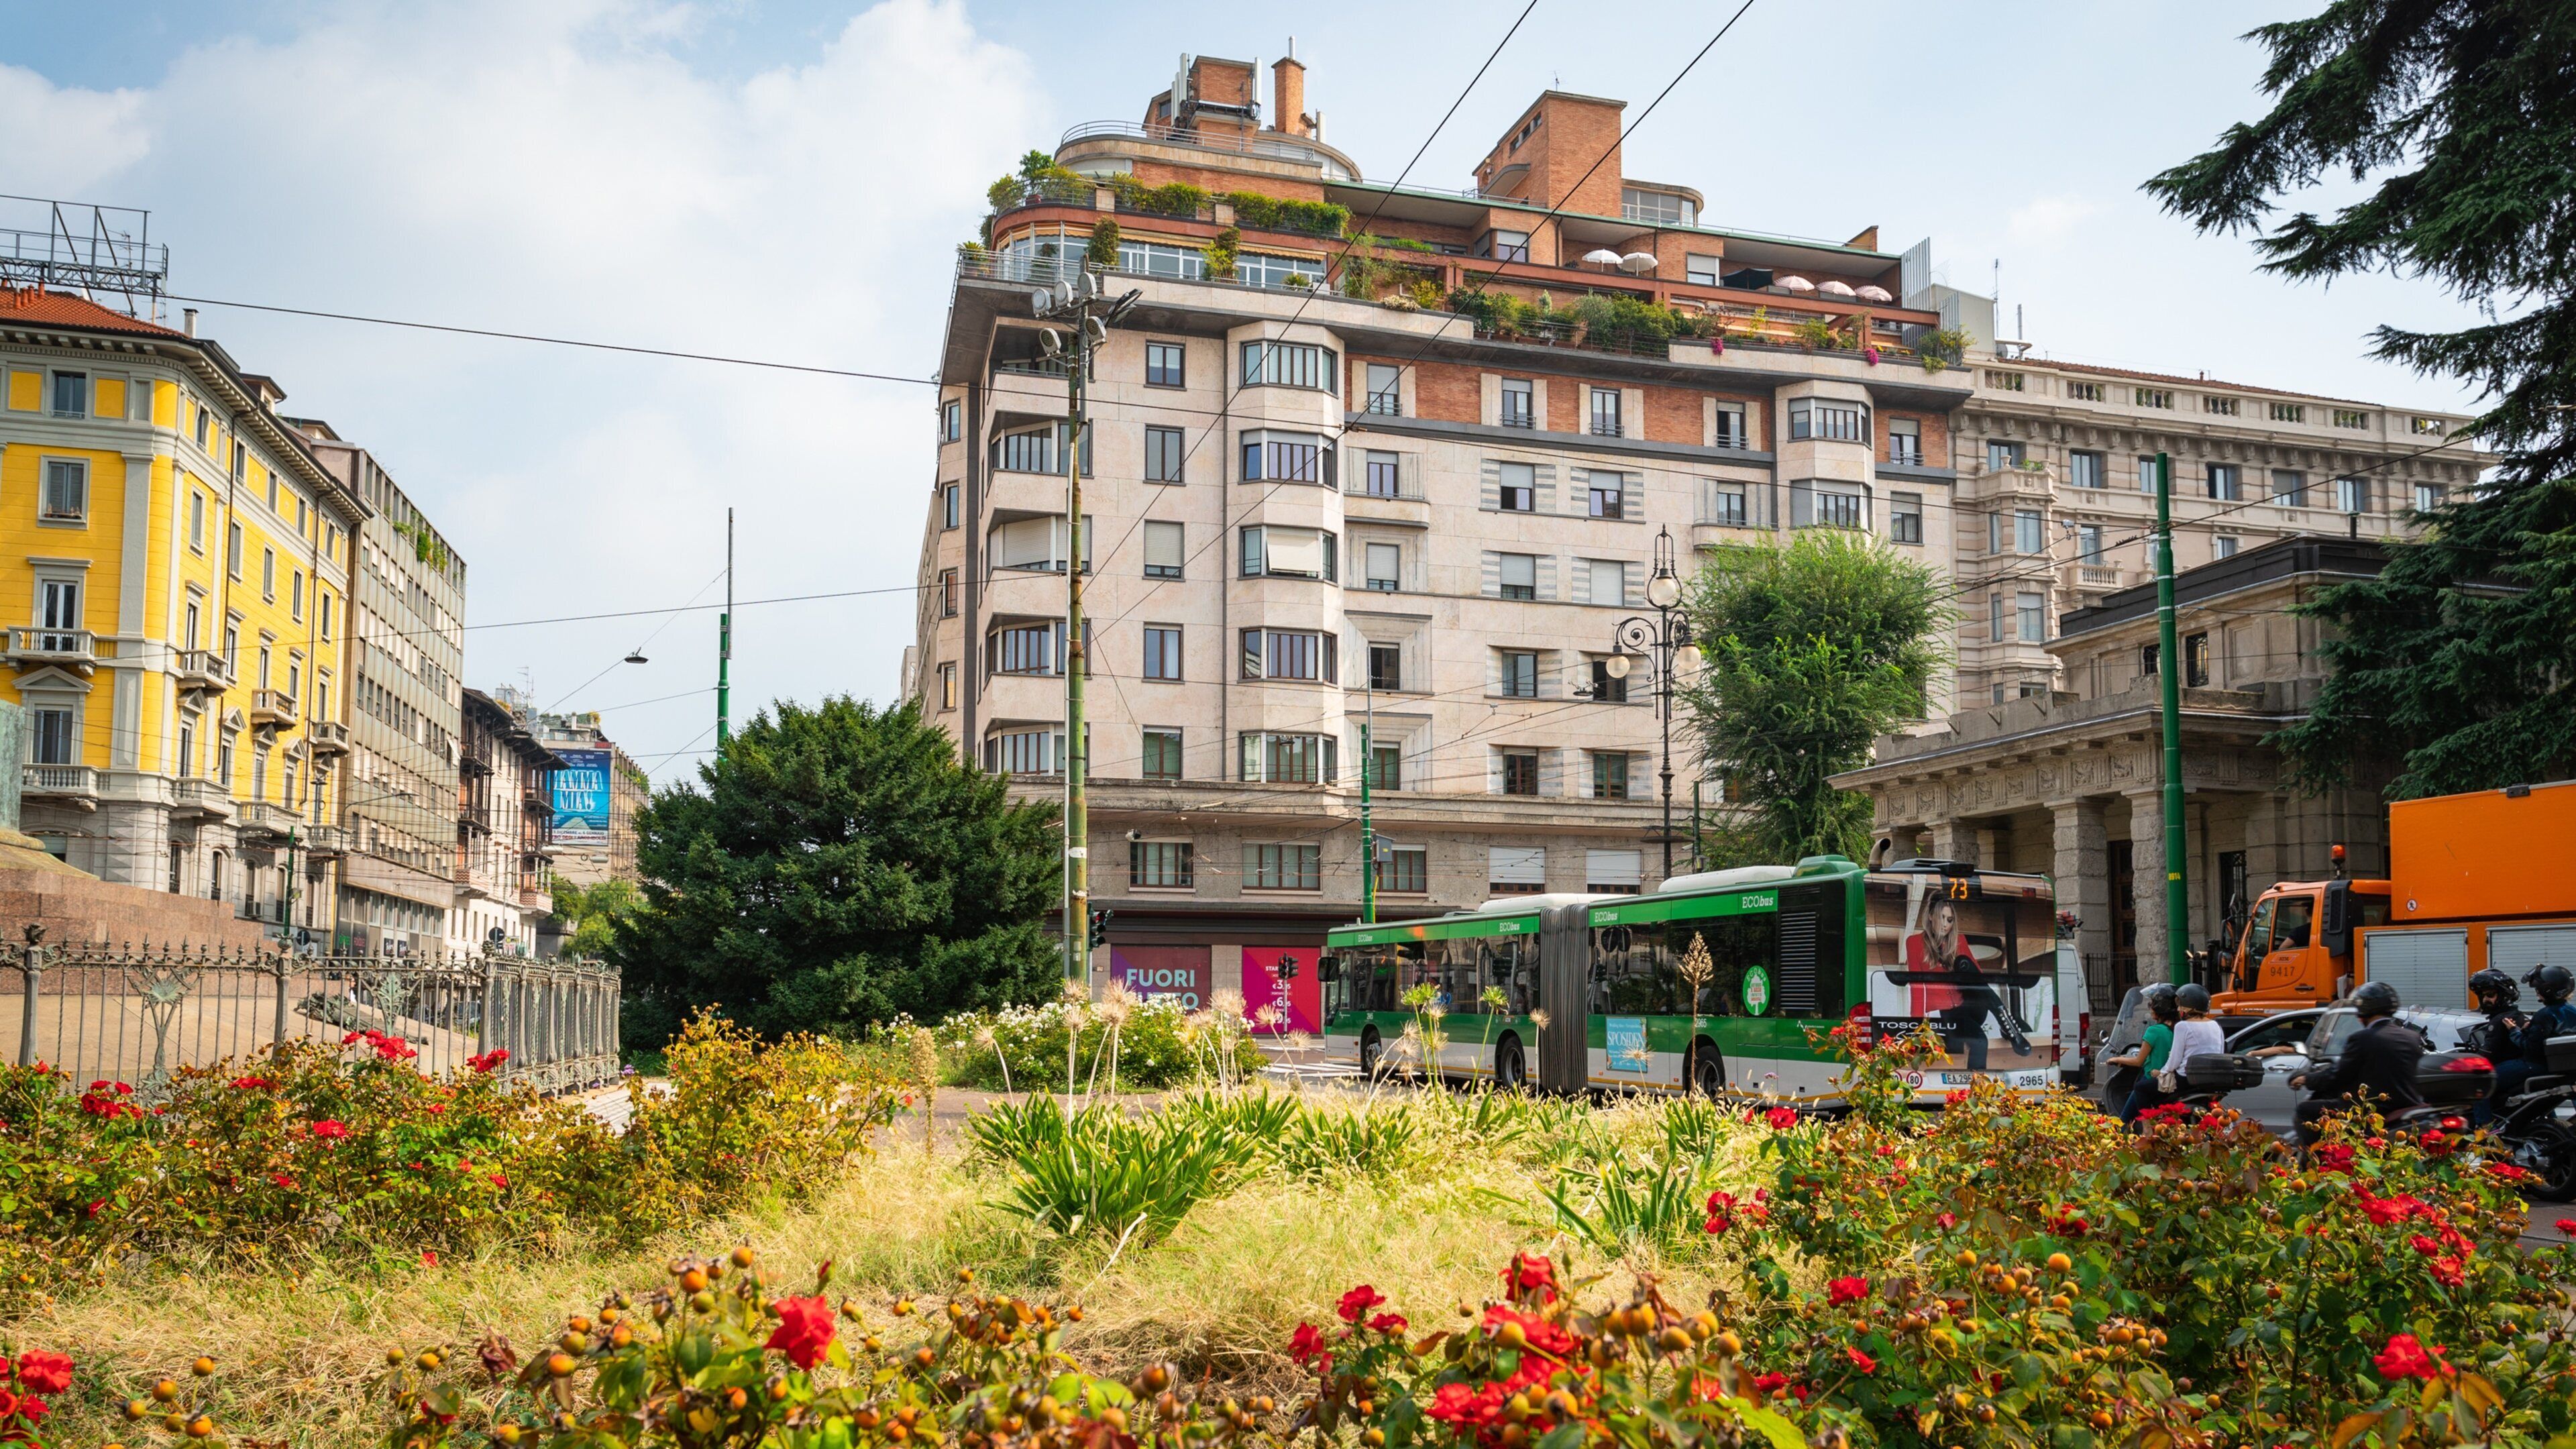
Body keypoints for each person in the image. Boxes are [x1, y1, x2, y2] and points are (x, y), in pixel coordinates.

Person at [2292, 980, 2426, 1146]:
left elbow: (2338, 1074)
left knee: (2305, 1110)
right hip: (2407, 1108)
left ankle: (2318, 1164)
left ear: (2363, 1010)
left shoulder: (2362, 1038)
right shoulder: (2411, 1037)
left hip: (2371, 1111)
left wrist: (2307, 1079)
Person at [2498, 964, 2576, 1110]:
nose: (2536, 992)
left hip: (2535, 1065)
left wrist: (2513, 1030)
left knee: (2485, 1081)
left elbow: (2531, 1047)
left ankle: (2484, 1126)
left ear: (2547, 990)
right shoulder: (2573, 1012)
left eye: (2537, 988)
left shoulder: (2545, 1015)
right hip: (2564, 1070)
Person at [2105, 984, 2178, 1124]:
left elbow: (2138, 1061)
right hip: (2169, 1081)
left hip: (2151, 1079)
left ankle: (2141, 1130)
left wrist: (2116, 1058)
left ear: (2159, 1007)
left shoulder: (2154, 1031)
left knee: (2125, 1120)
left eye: (2152, 1004)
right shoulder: (2177, 1030)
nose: (2150, 1008)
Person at [2466, 967, 2527, 1124]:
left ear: (2504, 995)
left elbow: (2487, 1054)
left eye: (2490, 995)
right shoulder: (2518, 1016)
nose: (2485, 999)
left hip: (2519, 1067)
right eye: (2482, 995)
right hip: (2525, 1067)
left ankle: (2485, 1133)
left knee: (2478, 1083)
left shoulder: (2500, 1020)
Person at [2164, 982, 2226, 1089]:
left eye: (2180, 1006)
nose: (2179, 1009)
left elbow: (2175, 1060)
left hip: (2187, 1077)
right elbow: (2221, 1052)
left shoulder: (2182, 1026)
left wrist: (2162, 1072)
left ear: (2189, 1007)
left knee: (2142, 1088)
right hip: (2211, 1078)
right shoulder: (2216, 1024)